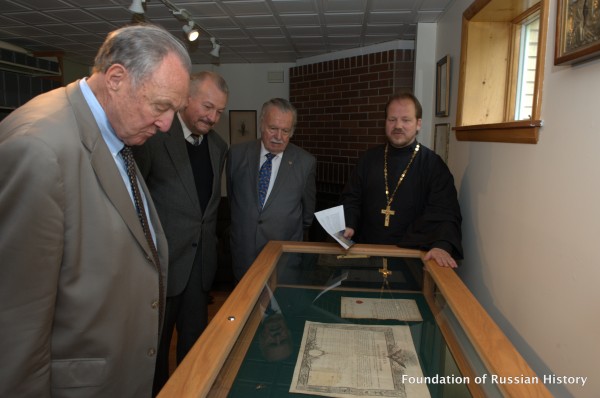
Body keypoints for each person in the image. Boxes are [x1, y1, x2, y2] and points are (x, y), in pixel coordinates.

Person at [0, 24, 191, 398]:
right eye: (160, 106)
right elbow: (16, 325)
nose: (168, 124)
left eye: (174, 110)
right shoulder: (39, 149)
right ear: (117, 78)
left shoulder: (116, 133)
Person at [133, 71, 229, 394]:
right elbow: (136, 201)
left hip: (200, 268)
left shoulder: (219, 146)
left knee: (195, 346)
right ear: (187, 98)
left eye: (219, 112)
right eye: (207, 107)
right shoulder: (155, 137)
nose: (213, 117)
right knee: (156, 351)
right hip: (162, 267)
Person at [341, 92, 462, 268]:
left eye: (406, 120)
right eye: (392, 119)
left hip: (410, 257)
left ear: (418, 123)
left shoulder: (433, 165)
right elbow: (351, 197)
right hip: (366, 252)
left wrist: (441, 245)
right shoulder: (368, 159)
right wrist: (349, 223)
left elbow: (444, 211)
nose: (398, 125)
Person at [227, 98, 316, 280]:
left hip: (283, 260)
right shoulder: (236, 155)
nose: (278, 137)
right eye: (273, 128)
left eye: (285, 131)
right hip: (243, 256)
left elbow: (307, 216)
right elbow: (233, 200)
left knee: (280, 308)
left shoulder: (306, 162)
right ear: (261, 124)